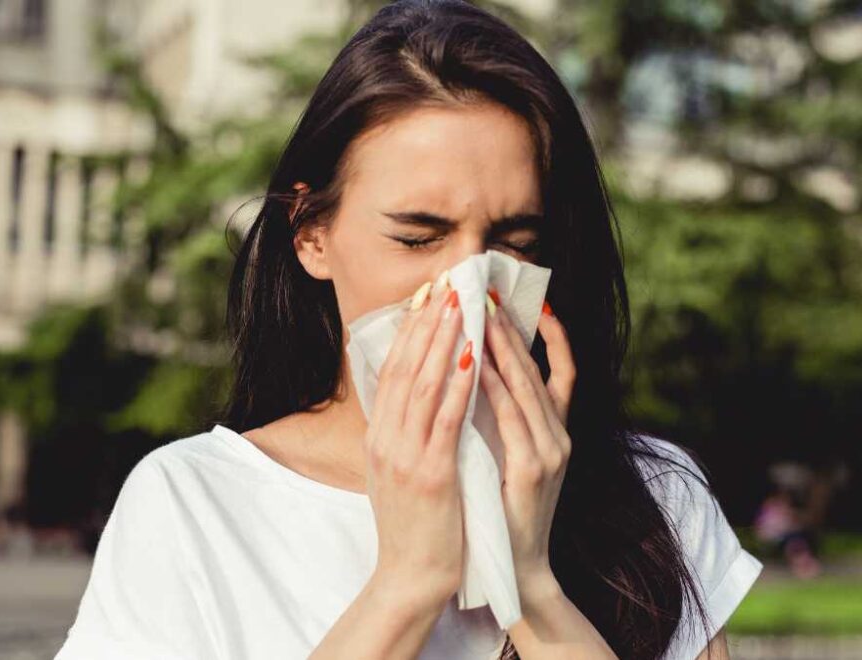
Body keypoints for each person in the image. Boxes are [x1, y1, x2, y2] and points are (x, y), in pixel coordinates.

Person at [54, 1, 763, 658]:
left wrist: (530, 583)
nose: (470, 286)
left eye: (513, 241)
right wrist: (407, 584)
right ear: (311, 234)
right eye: (419, 238)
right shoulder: (195, 503)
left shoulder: (652, 498)